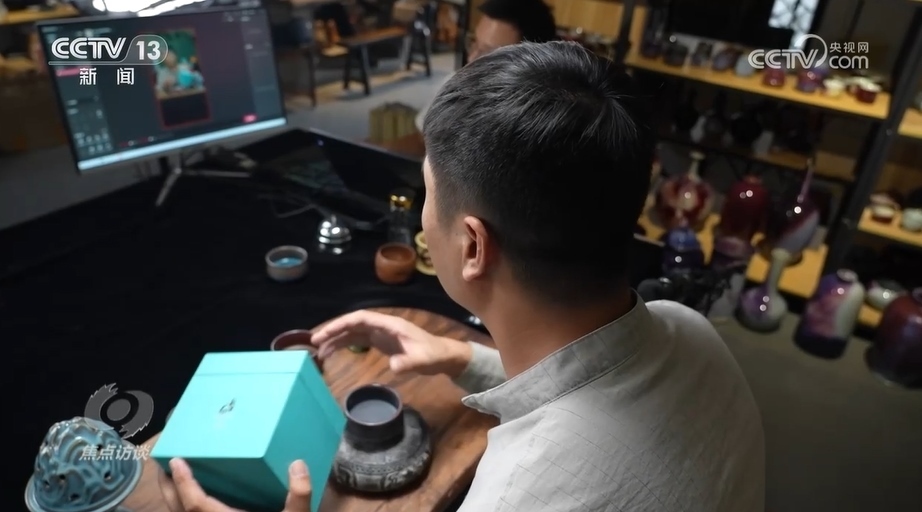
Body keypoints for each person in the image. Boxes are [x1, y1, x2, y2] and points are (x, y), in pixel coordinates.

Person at [169, 41, 765, 511]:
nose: (423, 214)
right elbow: (586, 382)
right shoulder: (689, 329)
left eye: (427, 193)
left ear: (473, 245)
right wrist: (461, 357)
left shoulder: (517, 494)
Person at [415, 0, 557, 130]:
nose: (472, 58)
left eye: (488, 53)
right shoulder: (454, 89)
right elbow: (423, 133)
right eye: (474, 42)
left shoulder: (540, 126)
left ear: (531, 64)